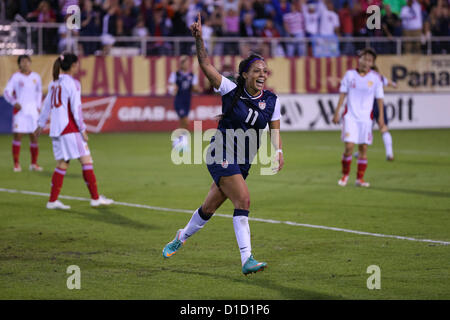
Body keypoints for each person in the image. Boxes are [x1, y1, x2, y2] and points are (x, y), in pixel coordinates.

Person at [162, 13, 284, 276]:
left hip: (243, 160)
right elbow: (205, 64)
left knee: (209, 208)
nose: (262, 74)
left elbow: (274, 128)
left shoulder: (272, 100)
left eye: (265, 71)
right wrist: (198, 39)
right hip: (221, 153)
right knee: (244, 199)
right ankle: (246, 259)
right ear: (245, 74)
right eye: (257, 71)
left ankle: (181, 236)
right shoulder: (231, 89)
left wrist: (279, 152)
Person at [34, 52, 113, 210]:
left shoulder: (54, 83)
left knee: (63, 163)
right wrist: (82, 129)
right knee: (86, 160)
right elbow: (76, 109)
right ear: (73, 66)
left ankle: (52, 201)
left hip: (56, 130)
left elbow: (46, 106)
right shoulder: (73, 83)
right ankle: (95, 199)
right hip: (69, 128)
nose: (78, 66)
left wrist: (40, 124)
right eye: (77, 64)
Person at [332, 48, 385, 188]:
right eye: (364, 58)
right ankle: (345, 175)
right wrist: (337, 112)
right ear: (359, 59)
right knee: (349, 147)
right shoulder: (349, 75)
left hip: (366, 119)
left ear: (372, 63)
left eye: (369, 60)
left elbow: (380, 99)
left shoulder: (375, 78)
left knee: (363, 148)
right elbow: (342, 94)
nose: (366, 62)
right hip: (350, 117)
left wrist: (381, 119)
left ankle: (359, 179)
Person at [3, 55, 43, 172]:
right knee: (18, 136)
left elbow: (39, 92)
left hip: (33, 111)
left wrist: (38, 106)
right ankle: (16, 164)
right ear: (19, 64)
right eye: (22, 62)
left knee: (34, 137)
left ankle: (34, 164)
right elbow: (7, 92)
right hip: (20, 111)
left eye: (27, 61)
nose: (25, 64)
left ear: (30, 63)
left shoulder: (36, 77)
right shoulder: (15, 77)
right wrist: (14, 102)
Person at [168, 55, 202, 150]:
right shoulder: (175, 74)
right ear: (181, 64)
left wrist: (197, 89)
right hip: (179, 101)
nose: (187, 65)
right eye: (185, 63)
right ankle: (178, 141)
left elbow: (194, 88)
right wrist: (173, 89)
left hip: (187, 101)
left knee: (184, 123)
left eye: (188, 63)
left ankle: (180, 142)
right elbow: (171, 86)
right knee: (185, 121)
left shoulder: (192, 76)